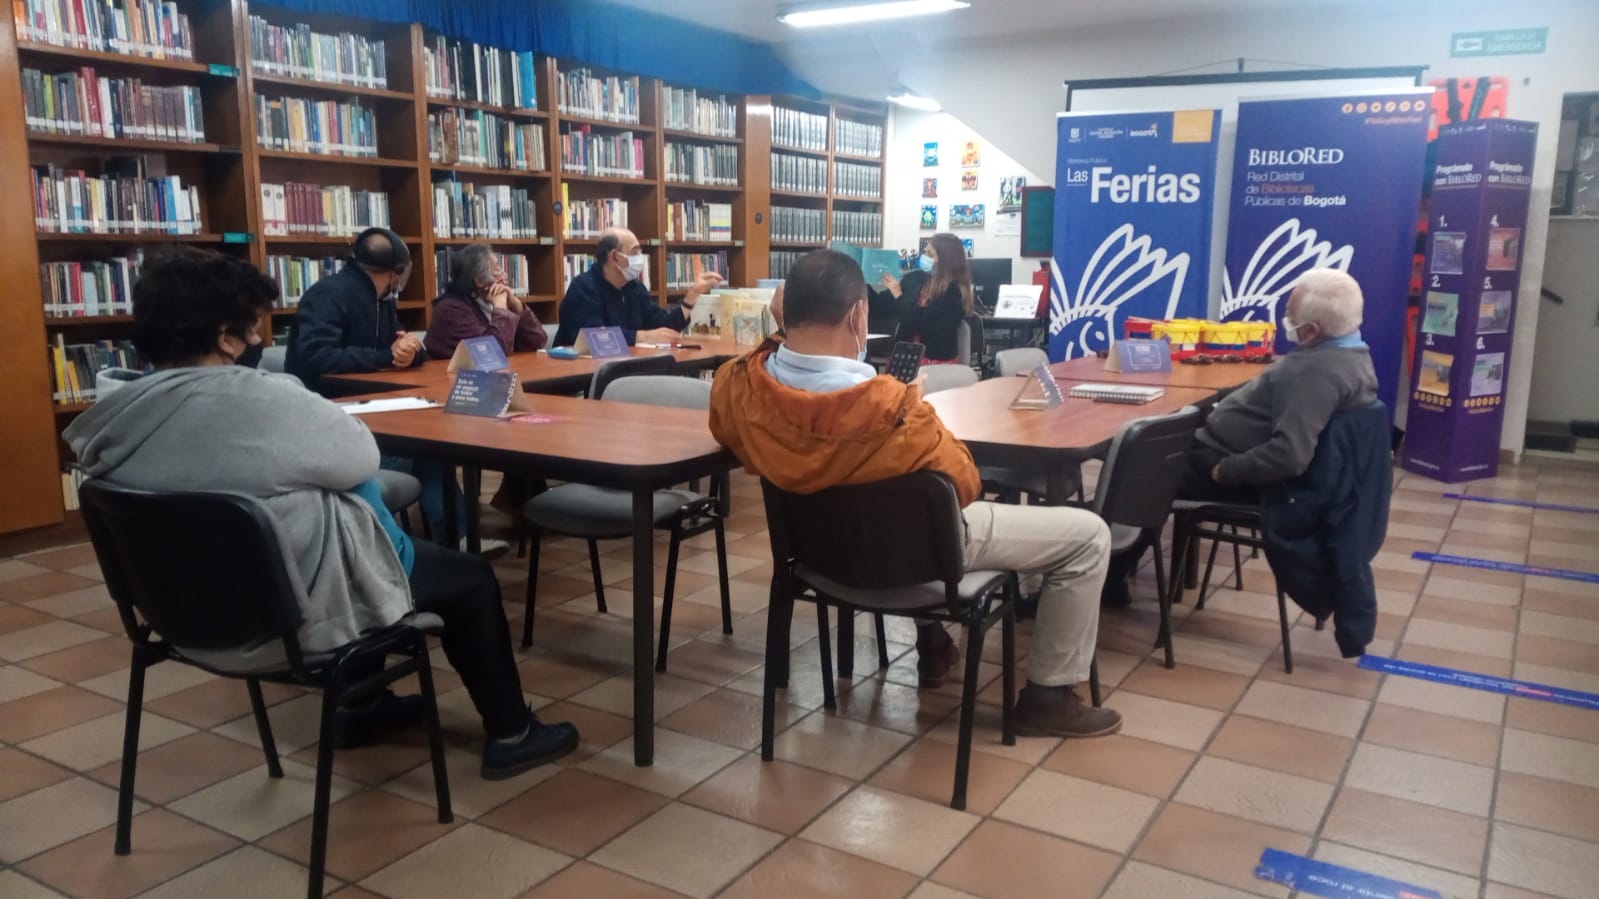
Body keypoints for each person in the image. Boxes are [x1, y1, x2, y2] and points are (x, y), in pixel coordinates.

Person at [63, 248, 578, 780]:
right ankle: (513, 733)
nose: (261, 341)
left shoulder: (113, 419)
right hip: (288, 615)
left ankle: (362, 710)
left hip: (184, 619)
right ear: (224, 336)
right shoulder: (267, 401)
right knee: (465, 578)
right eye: (253, 329)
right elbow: (360, 458)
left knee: (358, 537)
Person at [709, 249, 1122, 738]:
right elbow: (965, 485)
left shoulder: (737, 389)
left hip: (819, 558)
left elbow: (725, 422)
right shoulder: (895, 410)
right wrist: (914, 406)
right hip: (907, 552)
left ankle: (933, 645)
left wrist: (778, 335)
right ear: (858, 314)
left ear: (784, 312)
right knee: (1089, 535)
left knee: (899, 515)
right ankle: (1049, 697)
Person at [284, 228, 503, 554]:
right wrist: (387, 355)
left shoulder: (381, 300)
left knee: (432, 445)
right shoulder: (328, 296)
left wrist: (412, 351)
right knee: (419, 449)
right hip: (331, 416)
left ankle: (458, 536)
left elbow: (400, 347)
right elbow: (314, 358)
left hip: (376, 406)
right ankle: (397, 543)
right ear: (396, 272)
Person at [1184, 268, 1378, 503]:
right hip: (1226, 446)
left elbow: (1288, 456)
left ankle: (1132, 538)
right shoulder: (1352, 355)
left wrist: (1224, 470)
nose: (1286, 321)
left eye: (1290, 316)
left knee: (1138, 464)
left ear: (1310, 331)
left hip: (1228, 463)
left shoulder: (1314, 374)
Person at [551, 226, 723, 347]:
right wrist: (643, 337)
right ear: (614, 257)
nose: (640, 258)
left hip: (623, 367)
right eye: (634, 252)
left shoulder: (633, 287)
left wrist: (692, 296)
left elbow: (664, 325)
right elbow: (593, 338)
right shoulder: (583, 288)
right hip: (579, 377)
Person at [423, 244, 548, 360]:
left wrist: (517, 306)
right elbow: (493, 353)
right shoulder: (451, 309)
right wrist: (501, 309)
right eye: (498, 271)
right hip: (451, 381)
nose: (504, 276)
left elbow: (538, 341)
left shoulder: (490, 300)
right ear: (480, 281)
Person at [879, 232, 973, 364]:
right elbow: (882, 304)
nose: (924, 257)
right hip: (906, 356)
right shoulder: (916, 279)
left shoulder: (953, 292)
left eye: (930, 254)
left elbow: (922, 325)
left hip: (934, 362)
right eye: (925, 252)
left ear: (945, 260)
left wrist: (899, 295)